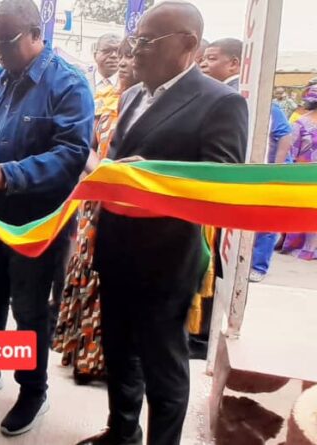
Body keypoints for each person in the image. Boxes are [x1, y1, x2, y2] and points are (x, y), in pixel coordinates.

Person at [77, 4, 248, 445]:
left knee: (163, 370)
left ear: (188, 44)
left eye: (146, 42)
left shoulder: (221, 102)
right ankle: (122, 432)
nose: (133, 52)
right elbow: (118, 161)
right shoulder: (133, 95)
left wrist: (149, 173)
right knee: (120, 355)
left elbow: (221, 181)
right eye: (133, 41)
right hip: (115, 249)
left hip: (166, 262)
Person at [0, 0, 93, 436]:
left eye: (4, 43)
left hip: (36, 225)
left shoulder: (68, 84)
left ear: (33, 34)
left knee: (28, 308)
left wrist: (7, 174)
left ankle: (33, 390)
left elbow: (70, 156)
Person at [53, 38, 138, 385]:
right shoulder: (100, 101)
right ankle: (82, 357)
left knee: (116, 289)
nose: (122, 61)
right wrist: (101, 171)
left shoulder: (154, 106)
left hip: (131, 210)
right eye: (119, 55)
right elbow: (85, 148)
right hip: (93, 203)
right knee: (86, 277)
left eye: (129, 56)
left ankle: (108, 364)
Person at [200, 38, 294, 284]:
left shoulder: (244, 98)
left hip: (258, 174)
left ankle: (259, 266)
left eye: (211, 58)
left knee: (264, 222)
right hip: (242, 176)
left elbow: (285, 135)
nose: (204, 64)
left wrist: (275, 168)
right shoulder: (224, 93)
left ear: (234, 64)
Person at [281, 85, 317, 262]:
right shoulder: (300, 123)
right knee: (305, 210)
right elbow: (291, 151)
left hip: (305, 172)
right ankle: (301, 247)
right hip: (305, 174)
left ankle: (311, 248)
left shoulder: (299, 123)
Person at [91, 33, 121, 107]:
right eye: (107, 51)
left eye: (118, 51)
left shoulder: (130, 85)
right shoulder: (81, 82)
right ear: (95, 55)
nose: (114, 55)